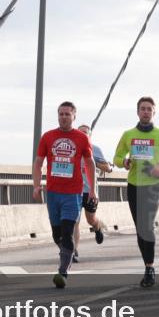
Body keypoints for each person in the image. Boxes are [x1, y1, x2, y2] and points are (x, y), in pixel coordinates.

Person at [113, 96, 159, 288]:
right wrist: (123, 162)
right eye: (143, 108)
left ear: (154, 112)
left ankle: (150, 268)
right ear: (138, 111)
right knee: (140, 229)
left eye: (149, 109)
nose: (146, 112)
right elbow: (116, 157)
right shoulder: (128, 134)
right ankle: (147, 264)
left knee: (147, 226)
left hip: (152, 186)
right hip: (133, 184)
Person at [33, 102, 97, 289]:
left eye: (67, 114)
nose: (63, 117)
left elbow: (90, 163)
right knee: (57, 234)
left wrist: (92, 190)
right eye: (60, 114)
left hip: (73, 193)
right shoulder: (48, 137)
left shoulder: (81, 138)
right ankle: (66, 254)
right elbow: (38, 162)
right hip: (53, 193)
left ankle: (62, 271)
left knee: (68, 232)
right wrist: (36, 185)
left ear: (74, 116)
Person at [73, 124, 112, 261]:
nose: (83, 134)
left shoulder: (95, 150)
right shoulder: (72, 148)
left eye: (86, 132)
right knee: (75, 222)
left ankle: (97, 228)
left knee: (91, 219)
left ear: (90, 135)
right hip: (74, 191)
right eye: (80, 132)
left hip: (90, 192)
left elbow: (108, 169)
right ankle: (74, 251)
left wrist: (92, 160)